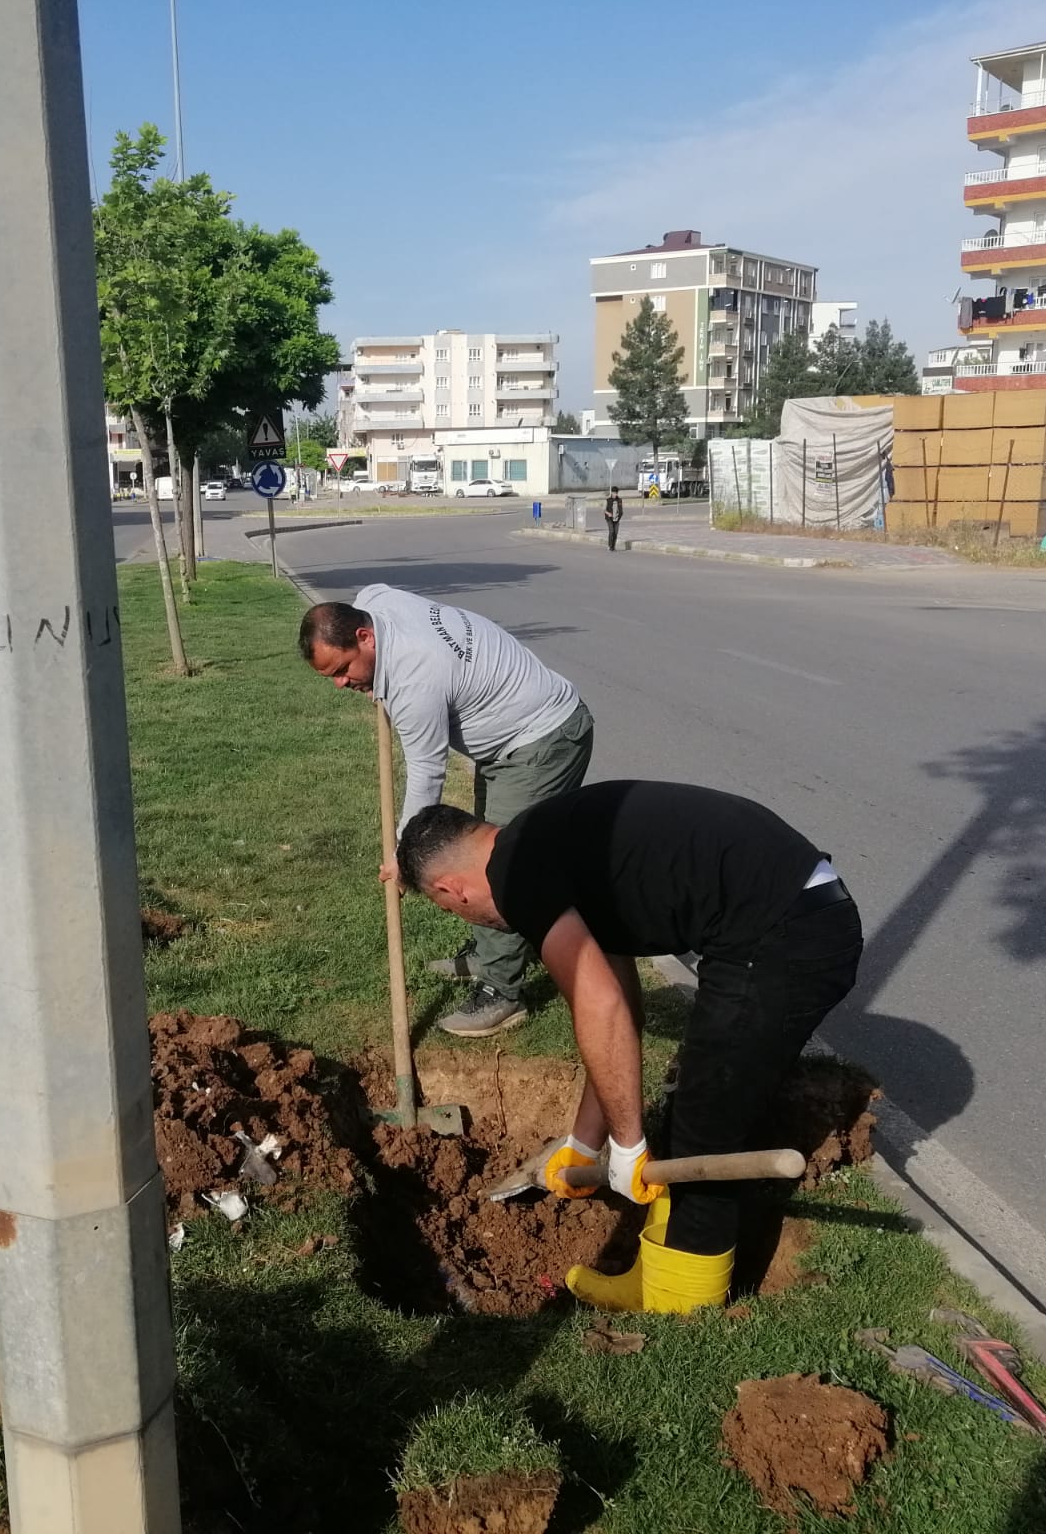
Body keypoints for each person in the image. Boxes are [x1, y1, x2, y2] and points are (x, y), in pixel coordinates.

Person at [394, 782, 861, 1314]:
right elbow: (617, 1013)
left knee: (707, 1121)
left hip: (787, 931)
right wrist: (585, 1141)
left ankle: (680, 1299)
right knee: (696, 1103)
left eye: (448, 909)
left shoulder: (519, 878)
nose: (465, 916)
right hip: (784, 915)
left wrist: (629, 1142)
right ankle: (661, 1261)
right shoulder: (547, 850)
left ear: (451, 890)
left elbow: (602, 1006)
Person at [299, 588, 594, 1037]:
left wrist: (403, 856)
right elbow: (373, 590)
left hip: (541, 741)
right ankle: (490, 952)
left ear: (365, 637)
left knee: (499, 868)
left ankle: (502, 991)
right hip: (511, 740)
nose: (340, 684)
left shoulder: (415, 679)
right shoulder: (375, 602)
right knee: (491, 853)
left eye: (343, 670)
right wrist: (370, 680)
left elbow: (427, 776)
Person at [603, 488, 625, 552]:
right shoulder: (608, 500)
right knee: (611, 531)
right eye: (614, 493)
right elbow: (603, 510)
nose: (615, 494)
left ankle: (613, 546)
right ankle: (610, 546)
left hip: (617, 519)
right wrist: (608, 513)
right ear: (612, 493)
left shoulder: (619, 500)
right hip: (609, 519)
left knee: (615, 533)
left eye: (616, 493)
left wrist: (620, 515)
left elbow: (621, 510)